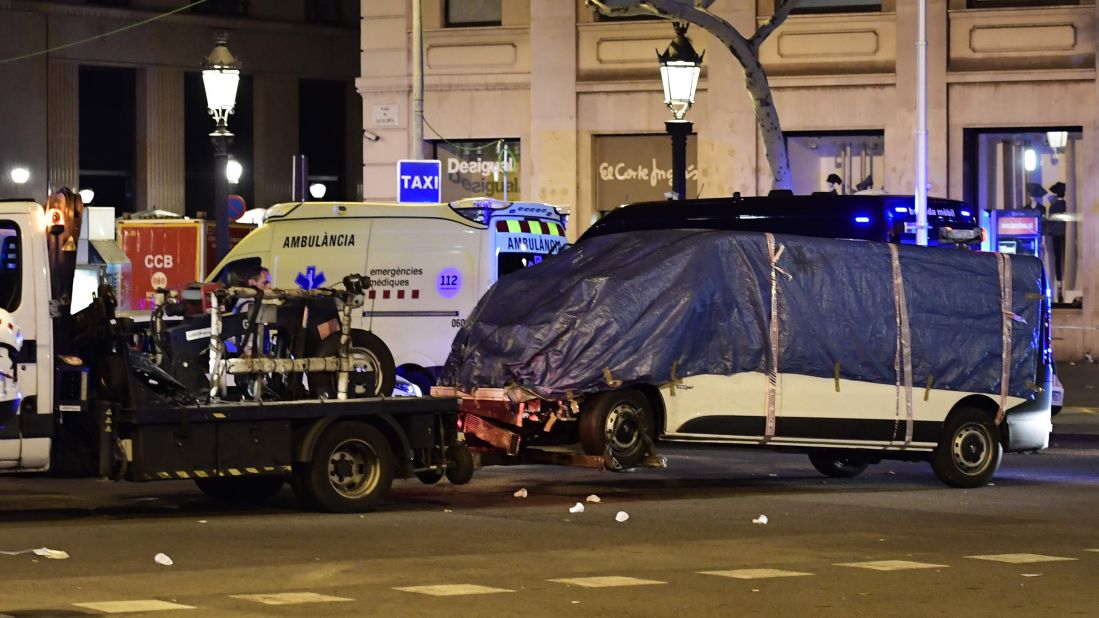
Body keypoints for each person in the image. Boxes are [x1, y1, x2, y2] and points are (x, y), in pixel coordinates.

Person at [1046, 181, 1067, 293]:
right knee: (1065, 259)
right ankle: (1062, 283)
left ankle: (1059, 282)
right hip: (1065, 235)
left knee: (1057, 259)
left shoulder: (1053, 207)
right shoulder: (1066, 205)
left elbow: (1050, 224)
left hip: (1055, 235)